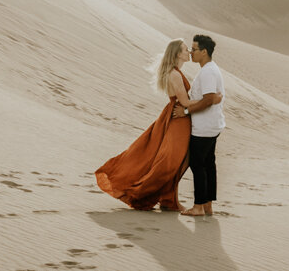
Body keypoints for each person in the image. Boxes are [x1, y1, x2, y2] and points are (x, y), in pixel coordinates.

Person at [95, 38, 221, 211]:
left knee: (178, 161)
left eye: (191, 49)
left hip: (179, 118)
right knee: (171, 162)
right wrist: (211, 99)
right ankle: (149, 194)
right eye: (186, 49)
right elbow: (184, 101)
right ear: (177, 53)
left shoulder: (176, 71)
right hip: (179, 119)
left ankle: (169, 199)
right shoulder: (175, 74)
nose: (189, 52)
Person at [181, 34, 225, 217]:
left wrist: (186, 112)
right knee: (208, 164)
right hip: (212, 125)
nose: (191, 52)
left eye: (194, 49)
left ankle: (198, 206)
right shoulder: (210, 69)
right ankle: (207, 205)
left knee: (197, 164)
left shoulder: (208, 72)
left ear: (204, 51)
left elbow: (208, 100)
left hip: (204, 127)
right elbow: (213, 98)